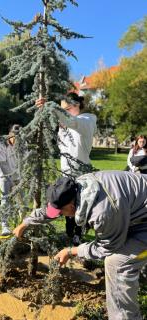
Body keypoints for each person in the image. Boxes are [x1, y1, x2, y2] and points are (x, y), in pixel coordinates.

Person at [13, 171, 147, 320]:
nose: (60, 215)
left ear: (70, 206)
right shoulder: (77, 187)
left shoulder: (102, 212)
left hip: (139, 221)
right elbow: (51, 211)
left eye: (61, 212)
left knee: (116, 263)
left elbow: (108, 247)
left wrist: (70, 251)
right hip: (135, 213)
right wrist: (25, 223)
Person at [36, 93, 97, 246]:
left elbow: (71, 121)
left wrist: (51, 107)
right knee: (66, 206)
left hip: (81, 174)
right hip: (66, 174)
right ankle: (70, 234)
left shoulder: (86, 120)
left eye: (67, 108)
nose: (64, 112)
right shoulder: (64, 126)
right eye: (62, 109)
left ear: (77, 106)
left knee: (79, 206)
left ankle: (78, 236)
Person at [0, 124, 21, 236]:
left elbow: (24, 160)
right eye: (14, 134)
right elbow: (2, 163)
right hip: (4, 175)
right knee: (5, 199)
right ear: (9, 133)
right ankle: (5, 226)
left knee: (22, 200)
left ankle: (21, 225)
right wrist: (10, 179)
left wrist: (22, 177)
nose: (16, 137)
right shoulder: (2, 143)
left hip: (19, 174)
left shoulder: (23, 143)